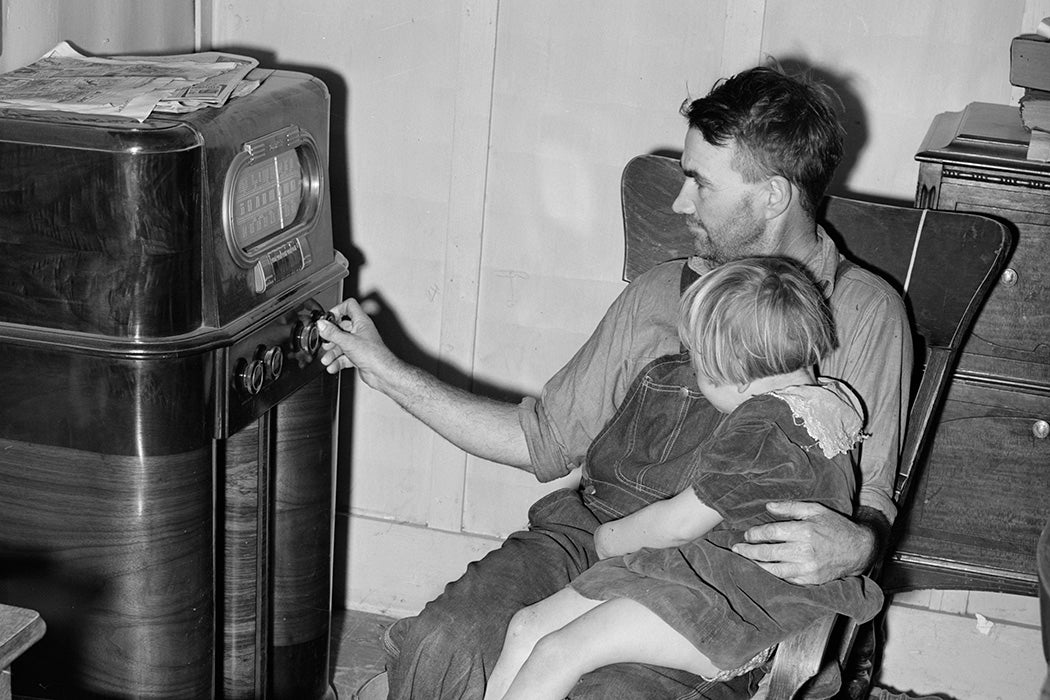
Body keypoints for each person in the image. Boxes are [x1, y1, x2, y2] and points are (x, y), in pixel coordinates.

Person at [316, 63, 911, 699]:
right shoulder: (661, 292)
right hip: (591, 537)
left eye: (699, 184)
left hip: (719, 585)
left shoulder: (863, 313)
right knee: (444, 644)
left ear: (770, 196)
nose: (680, 203)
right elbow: (542, 439)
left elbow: (871, 500)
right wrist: (385, 372)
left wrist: (853, 545)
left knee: (608, 692)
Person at [483, 256, 883, 700]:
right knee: (527, 628)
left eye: (698, 362)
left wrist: (607, 540)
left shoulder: (762, 426)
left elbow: (677, 524)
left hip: (732, 606)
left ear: (730, 368)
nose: (693, 373)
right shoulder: (837, 404)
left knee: (558, 652)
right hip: (707, 579)